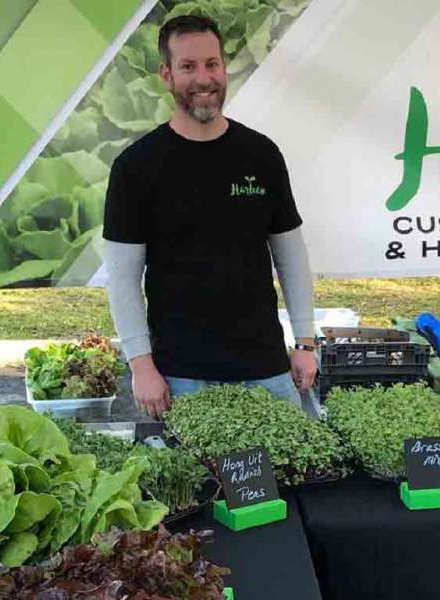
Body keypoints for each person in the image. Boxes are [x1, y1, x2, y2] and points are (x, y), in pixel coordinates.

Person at [102, 14, 318, 420]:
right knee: (198, 484)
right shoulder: (135, 167)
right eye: (188, 67)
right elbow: (123, 277)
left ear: (223, 68)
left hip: (267, 370)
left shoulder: (262, 155)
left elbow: (291, 257)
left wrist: (305, 343)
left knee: (283, 483)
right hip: (181, 378)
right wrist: (141, 365)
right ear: (166, 75)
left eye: (212, 64)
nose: (204, 78)